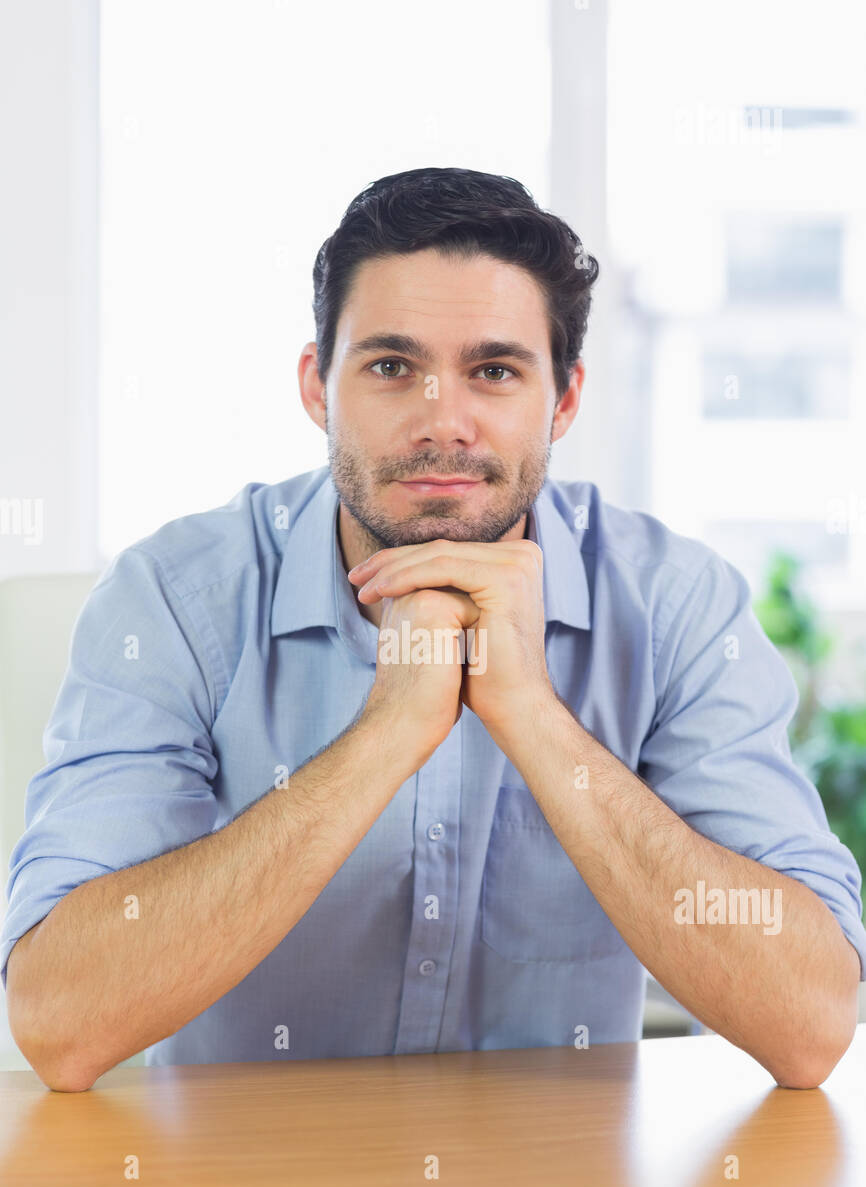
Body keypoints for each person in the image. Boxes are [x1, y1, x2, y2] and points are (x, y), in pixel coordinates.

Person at [4, 168, 863, 1092]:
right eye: (390, 367)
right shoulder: (171, 599)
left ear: (564, 400)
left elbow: (810, 1023)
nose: (440, 422)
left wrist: (531, 714)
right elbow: (59, 1023)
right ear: (317, 387)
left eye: (493, 371)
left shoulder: (677, 603)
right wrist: (389, 733)